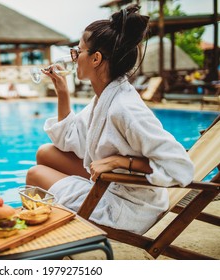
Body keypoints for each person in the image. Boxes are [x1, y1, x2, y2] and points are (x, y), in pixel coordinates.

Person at [26, 5, 194, 235]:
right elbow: (68, 139)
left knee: (34, 175)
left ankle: (43, 233)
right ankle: (49, 222)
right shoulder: (107, 95)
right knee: (46, 153)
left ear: (95, 58)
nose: (73, 58)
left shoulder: (125, 109)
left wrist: (119, 162)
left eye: (78, 51)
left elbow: (180, 168)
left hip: (130, 207)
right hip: (112, 184)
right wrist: (62, 93)